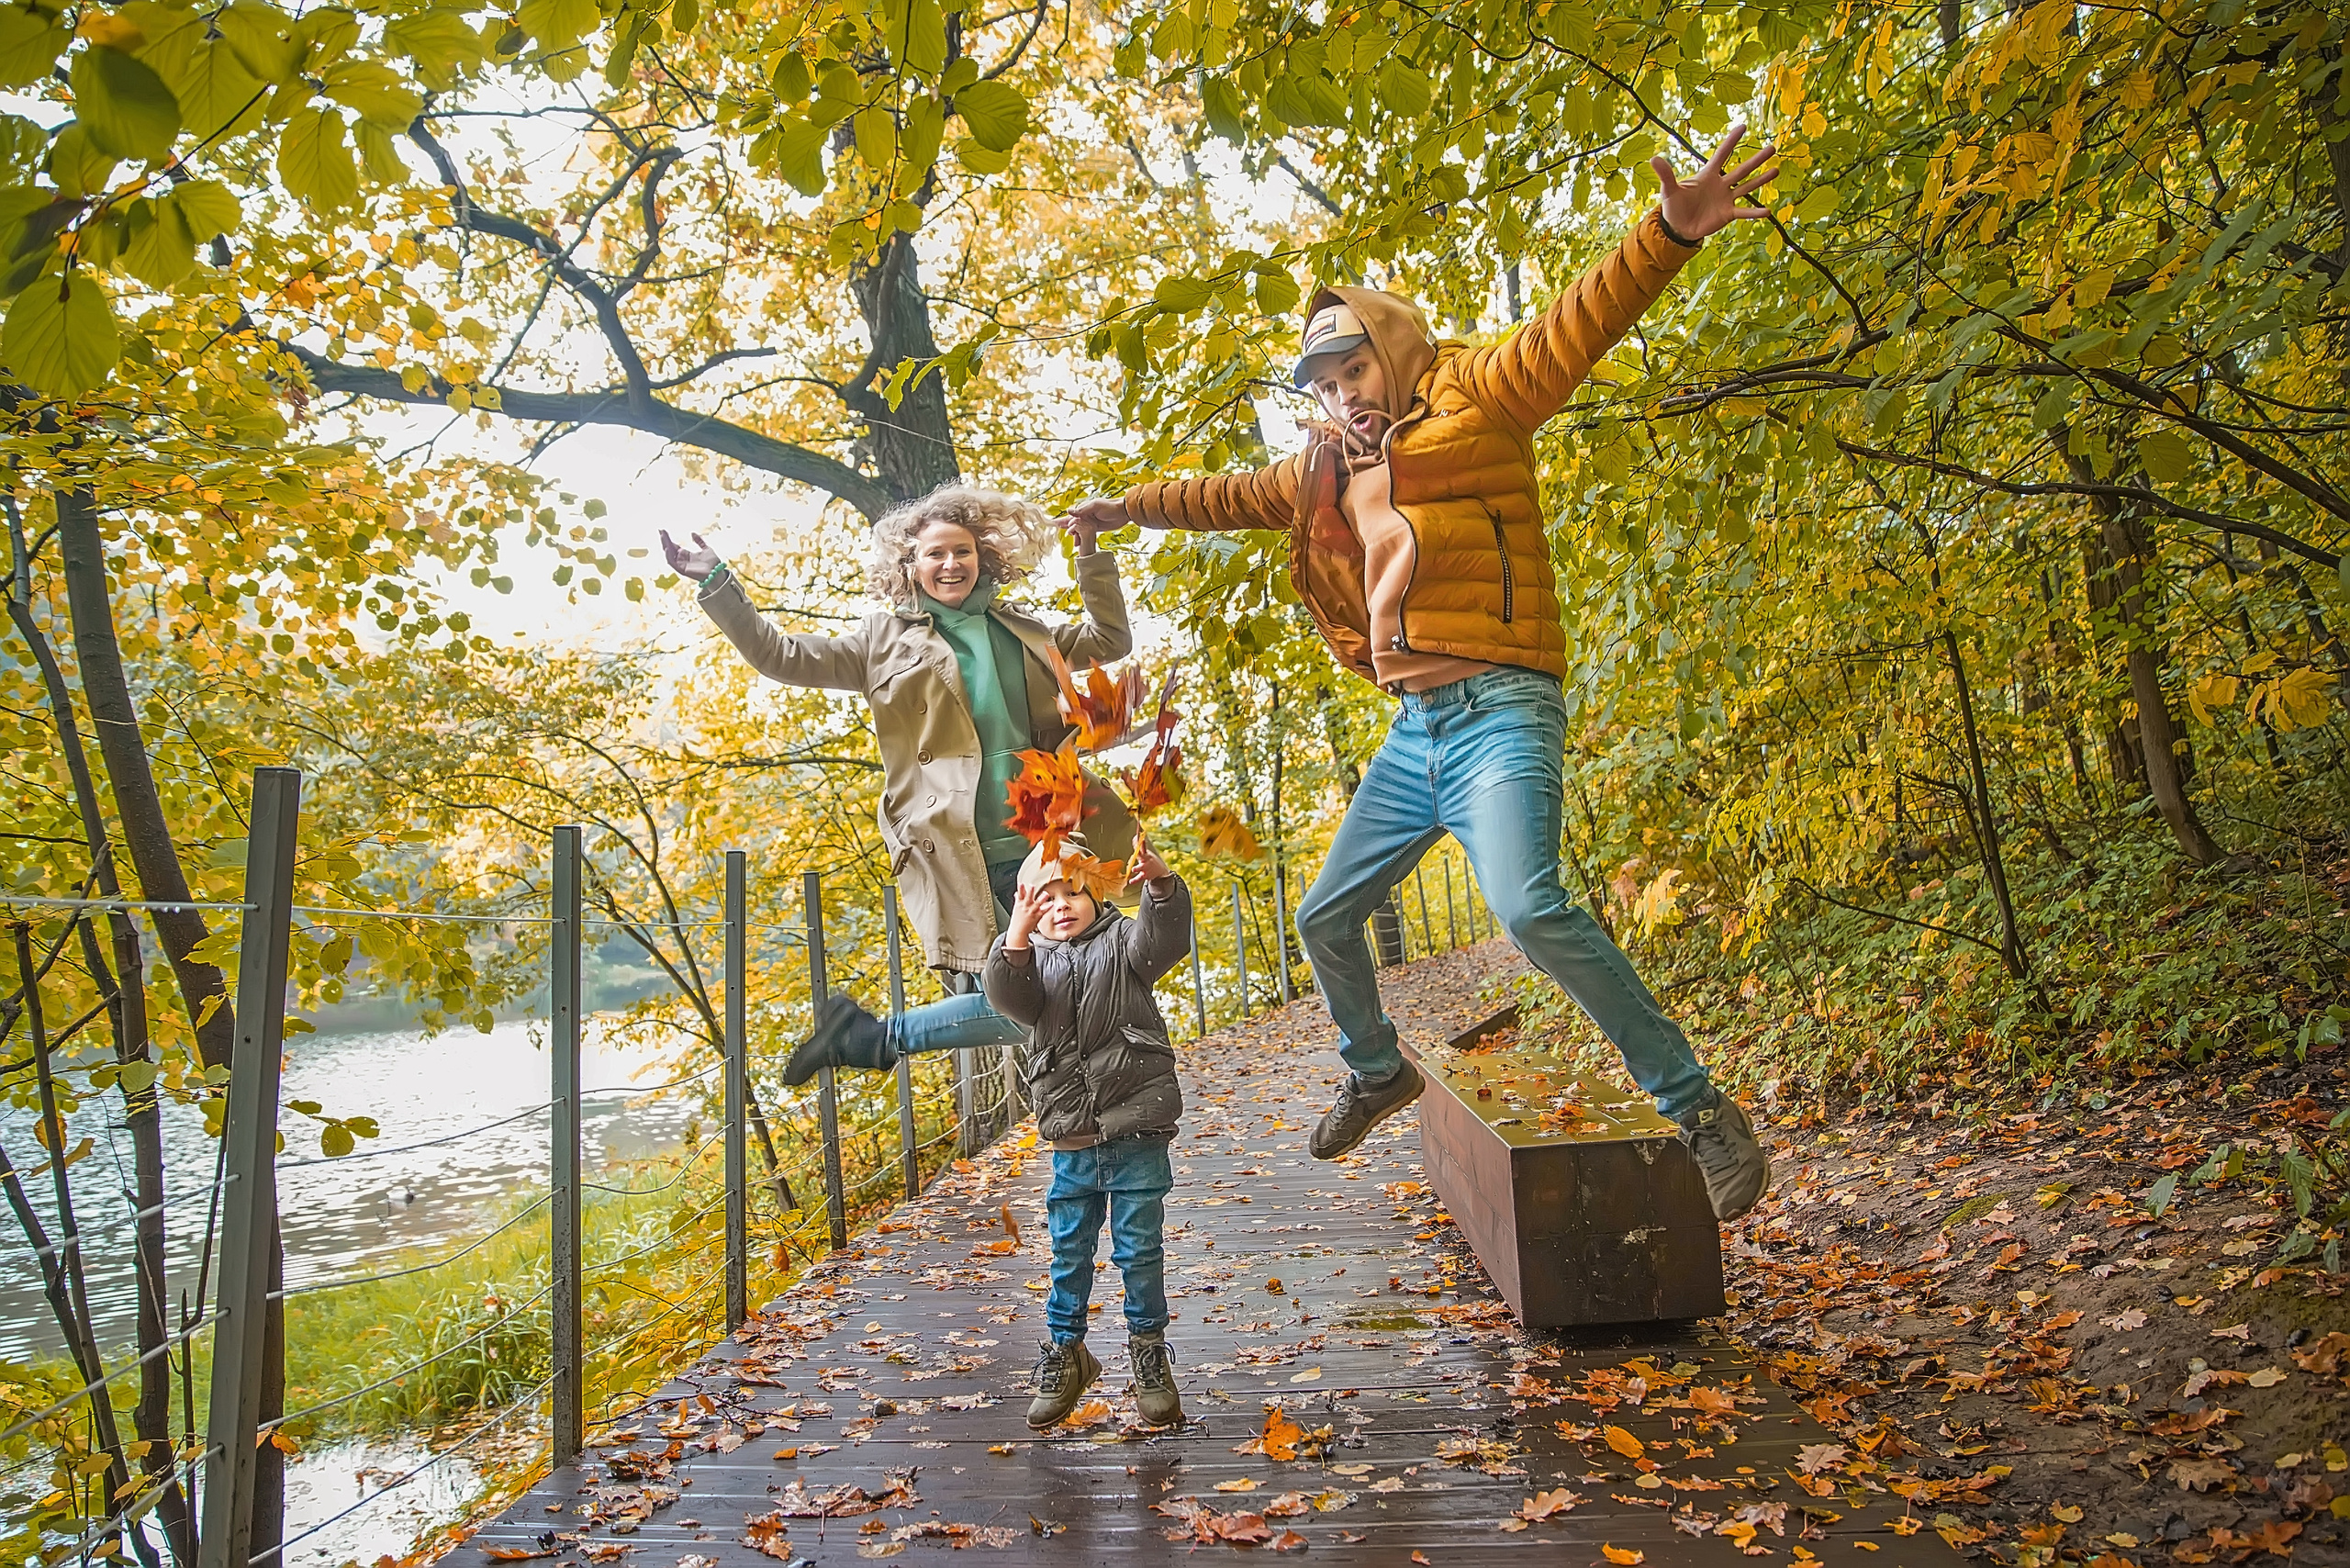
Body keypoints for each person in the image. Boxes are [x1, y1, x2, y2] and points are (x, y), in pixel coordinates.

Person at [1062, 127, 1782, 1221]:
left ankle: (1700, 1111)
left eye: (1353, 369)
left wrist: (1669, 233)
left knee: (1529, 909)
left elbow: (1575, 322)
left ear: (1392, 351)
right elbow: (1224, 494)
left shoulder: (1479, 396)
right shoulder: (1323, 467)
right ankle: (1375, 1069)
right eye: (1324, 383)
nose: (1342, 394)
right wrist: (1128, 507)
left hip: (1500, 710)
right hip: (1413, 733)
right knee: (1323, 916)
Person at [659, 486, 1136, 1081]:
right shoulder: (880, 643)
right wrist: (717, 582)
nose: (950, 564)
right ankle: (877, 1039)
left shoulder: (1027, 632)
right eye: (935, 554)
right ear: (911, 565)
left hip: (1048, 841)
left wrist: (1090, 552)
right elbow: (780, 656)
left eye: (961, 551)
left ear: (982, 558)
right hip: (961, 850)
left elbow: (1111, 640)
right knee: (1038, 1001)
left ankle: (871, 1039)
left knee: (1064, 990)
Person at [983, 833, 1191, 1429]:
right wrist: (1016, 933)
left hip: (1138, 1128)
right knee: (1069, 1248)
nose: (1061, 906)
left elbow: (1164, 938)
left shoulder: (1125, 941)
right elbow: (1008, 996)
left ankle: (1148, 1351)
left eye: (1073, 891)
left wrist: (1160, 884)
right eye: (1045, 899)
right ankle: (1066, 1352)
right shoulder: (1031, 962)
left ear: (1097, 893)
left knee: (1138, 1249)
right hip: (1071, 1135)